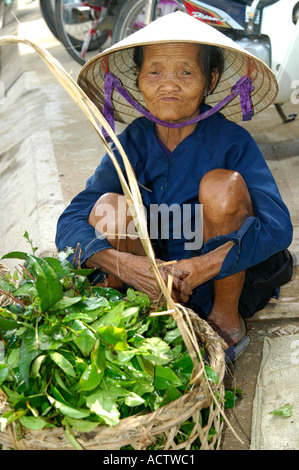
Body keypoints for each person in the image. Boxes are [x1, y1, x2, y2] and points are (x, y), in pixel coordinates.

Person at [56, 12, 293, 361]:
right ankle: (135, 312)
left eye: (186, 72)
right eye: (154, 72)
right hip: (149, 283)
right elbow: (71, 221)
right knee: (109, 204)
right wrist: (124, 265)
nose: (169, 85)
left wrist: (201, 267)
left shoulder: (233, 142)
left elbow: (277, 228)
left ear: (210, 80)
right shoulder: (131, 143)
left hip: (220, 281)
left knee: (221, 187)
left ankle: (226, 320)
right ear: (138, 79)